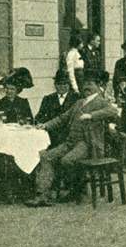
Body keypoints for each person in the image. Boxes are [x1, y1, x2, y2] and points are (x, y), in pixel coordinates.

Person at [28, 78, 119, 206]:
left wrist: (91, 115)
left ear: (98, 86)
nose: (86, 87)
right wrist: (45, 125)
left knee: (67, 160)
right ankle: (42, 195)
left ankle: (79, 190)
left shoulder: (101, 102)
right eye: (85, 84)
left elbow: (113, 111)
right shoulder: (79, 103)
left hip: (87, 144)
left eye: (90, 84)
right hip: (70, 142)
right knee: (46, 156)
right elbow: (62, 118)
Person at [35, 70, 76, 147]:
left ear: (69, 85)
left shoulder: (76, 98)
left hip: (69, 135)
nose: (62, 87)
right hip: (51, 135)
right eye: (59, 84)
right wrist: (39, 123)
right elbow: (40, 116)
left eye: (65, 84)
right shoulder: (48, 99)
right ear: (55, 85)